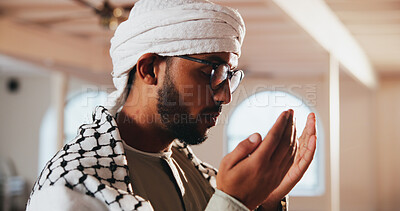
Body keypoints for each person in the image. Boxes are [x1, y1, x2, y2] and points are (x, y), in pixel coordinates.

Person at [26, 0, 317, 210]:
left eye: (229, 75)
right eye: (212, 71)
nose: (225, 95)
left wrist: (262, 203)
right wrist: (233, 205)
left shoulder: (191, 170)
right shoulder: (71, 187)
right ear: (150, 69)